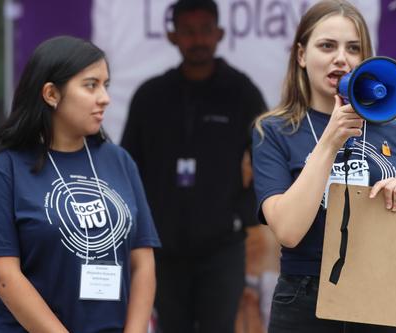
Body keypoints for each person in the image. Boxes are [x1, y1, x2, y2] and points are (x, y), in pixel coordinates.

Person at [251, 1, 396, 332]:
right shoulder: (274, 132)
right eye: (327, 46)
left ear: (364, 60)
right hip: (305, 300)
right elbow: (288, 231)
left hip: (386, 292)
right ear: (301, 55)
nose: (341, 58)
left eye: (353, 48)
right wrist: (329, 142)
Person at [0, 36, 161, 333]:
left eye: (105, 86)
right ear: (51, 94)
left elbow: (143, 263)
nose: (104, 98)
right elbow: (3, 276)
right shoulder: (3, 169)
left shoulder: (118, 160)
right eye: (90, 85)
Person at [120, 0, 266, 331]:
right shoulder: (151, 96)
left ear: (219, 34)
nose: (197, 40)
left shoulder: (241, 92)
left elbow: (267, 157)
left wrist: (241, 213)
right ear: (173, 36)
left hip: (223, 248)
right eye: (188, 32)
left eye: (204, 31)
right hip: (162, 248)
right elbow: (128, 166)